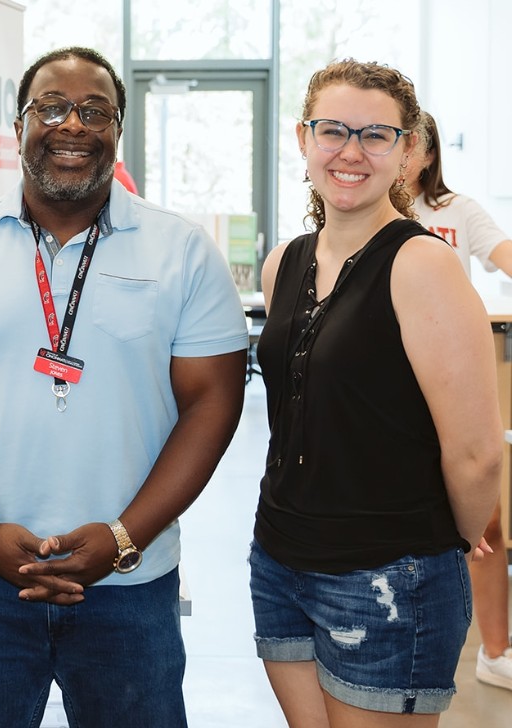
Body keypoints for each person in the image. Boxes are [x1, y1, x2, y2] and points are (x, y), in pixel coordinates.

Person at [0, 46, 248, 727]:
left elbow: (213, 405)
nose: (72, 124)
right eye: (50, 108)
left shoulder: (183, 250)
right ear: (18, 125)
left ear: (118, 130)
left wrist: (124, 537)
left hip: (130, 582)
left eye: (95, 111)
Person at [251, 60, 502, 726]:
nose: (351, 151)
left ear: (408, 150)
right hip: (280, 559)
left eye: (376, 135)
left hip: (388, 573)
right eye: (333, 130)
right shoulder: (284, 263)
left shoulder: (424, 265)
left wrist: (448, 542)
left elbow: (476, 453)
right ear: (303, 139)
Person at [405, 109, 512, 692]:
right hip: (393, 382)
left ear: (428, 153)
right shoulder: (368, 210)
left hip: (453, 378)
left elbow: (504, 255)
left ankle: (495, 650)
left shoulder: (456, 211)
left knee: (484, 515)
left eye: (411, 142)